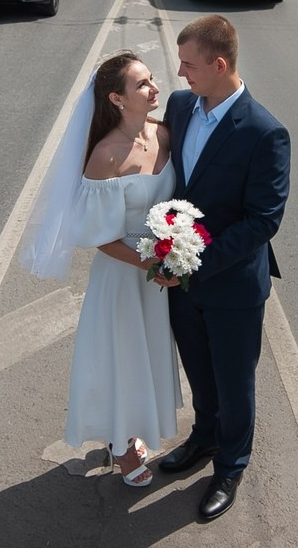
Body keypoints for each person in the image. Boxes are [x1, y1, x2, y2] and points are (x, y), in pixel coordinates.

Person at [21, 52, 182, 488]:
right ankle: (122, 445)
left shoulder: (165, 135)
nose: (154, 88)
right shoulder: (105, 157)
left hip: (159, 276)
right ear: (116, 98)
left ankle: (136, 431)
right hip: (123, 276)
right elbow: (98, 237)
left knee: (146, 356)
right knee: (122, 359)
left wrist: (177, 252)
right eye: (143, 84)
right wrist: (150, 262)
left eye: (152, 79)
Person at [157, 15, 291, 523]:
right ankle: (204, 439)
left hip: (231, 284)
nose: (180, 72)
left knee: (236, 382)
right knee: (200, 371)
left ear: (219, 64)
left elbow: (263, 221)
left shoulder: (265, 132)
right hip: (181, 283)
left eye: (189, 64)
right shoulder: (179, 105)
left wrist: (192, 261)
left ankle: (231, 466)